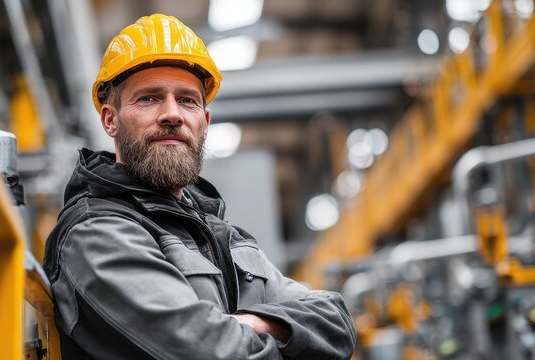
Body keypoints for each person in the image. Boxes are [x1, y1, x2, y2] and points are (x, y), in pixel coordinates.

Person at [43, 13, 356, 359]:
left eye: (188, 100)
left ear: (204, 122)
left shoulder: (222, 235)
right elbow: (207, 351)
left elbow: (337, 322)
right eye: (148, 98)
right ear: (110, 120)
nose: (172, 114)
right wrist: (284, 332)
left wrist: (248, 324)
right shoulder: (96, 232)